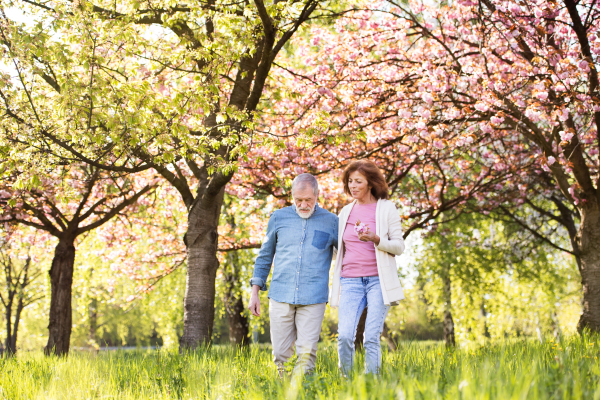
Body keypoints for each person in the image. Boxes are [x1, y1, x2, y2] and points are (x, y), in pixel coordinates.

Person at [248, 173, 338, 377]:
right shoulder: (278, 218)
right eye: (299, 200)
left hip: (313, 297)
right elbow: (264, 256)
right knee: (281, 353)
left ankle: (303, 393)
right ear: (292, 196)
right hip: (281, 293)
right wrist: (255, 292)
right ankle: (284, 393)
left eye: (308, 200)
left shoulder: (332, 222)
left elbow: (346, 257)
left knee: (306, 355)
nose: (303, 204)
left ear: (317, 196)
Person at [330, 160, 405, 376]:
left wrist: (376, 239)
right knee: (344, 335)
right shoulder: (345, 212)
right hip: (350, 280)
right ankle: (346, 381)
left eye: (358, 182)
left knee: (371, 337)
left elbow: (399, 247)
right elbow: (340, 248)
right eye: (350, 181)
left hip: (377, 280)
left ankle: (372, 384)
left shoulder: (386, 208)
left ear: (370, 183)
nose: (353, 186)